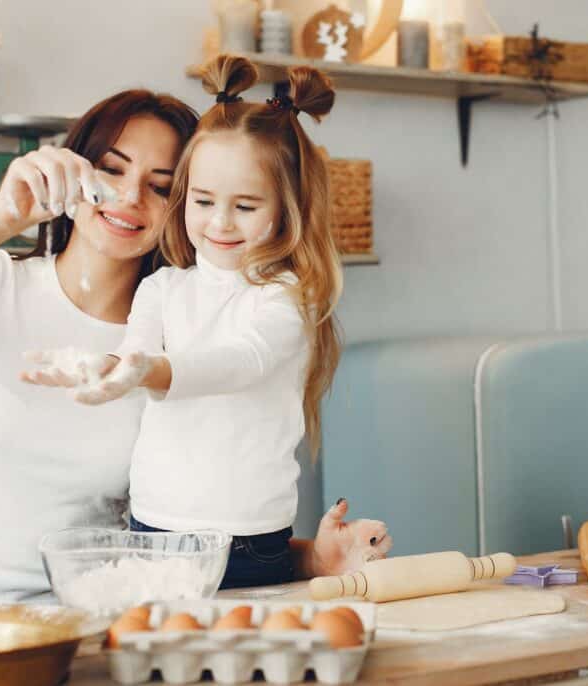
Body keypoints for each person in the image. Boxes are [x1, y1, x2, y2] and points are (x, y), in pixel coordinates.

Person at [0, 86, 390, 604]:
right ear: (78, 168)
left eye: (160, 185)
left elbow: (187, 534)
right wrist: (0, 215)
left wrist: (309, 559)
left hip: (74, 621)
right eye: (111, 170)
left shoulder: (186, 334)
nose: (129, 197)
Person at [23, 55, 392, 589]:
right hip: (151, 529)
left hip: (247, 541)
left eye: (245, 205)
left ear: (288, 209)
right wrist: (95, 369)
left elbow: (239, 364)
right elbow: (135, 354)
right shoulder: (162, 287)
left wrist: (148, 370)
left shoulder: (287, 299)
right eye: (202, 200)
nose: (219, 222)